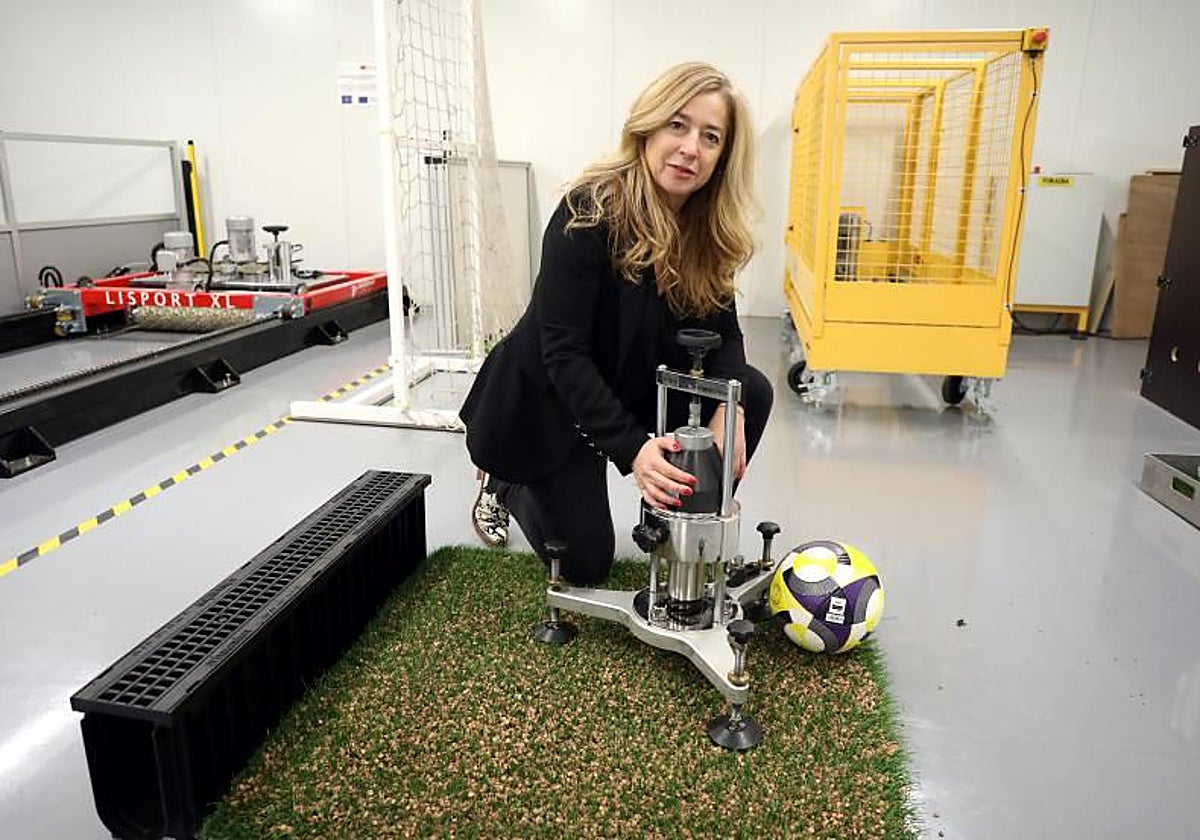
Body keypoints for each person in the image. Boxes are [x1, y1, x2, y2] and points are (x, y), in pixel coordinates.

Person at [460, 61, 773, 585]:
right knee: (584, 566)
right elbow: (564, 354)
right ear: (648, 127)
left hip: (632, 383)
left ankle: (678, 529)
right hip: (554, 400)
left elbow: (726, 337)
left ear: (723, 157)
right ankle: (505, 483)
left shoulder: (708, 230)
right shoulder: (587, 212)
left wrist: (731, 413)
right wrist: (633, 451)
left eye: (711, 136)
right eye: (678, 125)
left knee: (750, 392)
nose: (690, 148)